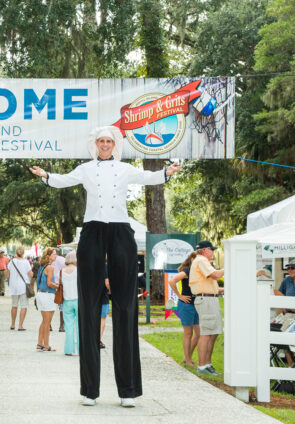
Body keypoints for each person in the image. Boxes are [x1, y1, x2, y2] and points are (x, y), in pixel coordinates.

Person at [30, 125, 181, 407]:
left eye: (109, 141)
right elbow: (64, 180)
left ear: (115, 144)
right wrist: (46, 176)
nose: (104, 144)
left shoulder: (125, 169)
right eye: (100, 141)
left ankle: (128, 391)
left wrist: (166, 173)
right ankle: (90, 390)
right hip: (92, 232)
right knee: (88, 302)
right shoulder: (86, 169)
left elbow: (148, 177)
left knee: (125, 305)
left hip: (121, 231)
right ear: (95, 144)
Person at [188, 240, 224, 376]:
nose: (213, 252)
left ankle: (207, 364)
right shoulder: (201, 260)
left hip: (209, 298)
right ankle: (202, 366)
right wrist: (230, 267)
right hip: (206, 300)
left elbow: (210, 285)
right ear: (204, 250)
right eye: (211, 249)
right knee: (206, 333)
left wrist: (223, 289)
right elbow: (215, 275)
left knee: (213, 332)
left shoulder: (201, 261)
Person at [169, 252, 200, 367]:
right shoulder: (187, 271)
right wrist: (179, 295)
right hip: (186, 305)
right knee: (188, 334)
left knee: (199, 334)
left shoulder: (198, 271)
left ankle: (186, 357)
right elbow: (172, 281)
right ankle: (187, 360)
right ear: (192, 259)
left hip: (196, 305)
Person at [36, 248, 59, 352]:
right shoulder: (50, 267)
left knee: (44, 321)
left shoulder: (42, 266)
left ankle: (39, 343)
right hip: (47, 295)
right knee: (47, 321)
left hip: (41, 294)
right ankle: (46, 345)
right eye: (54, 254)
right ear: (49, 256)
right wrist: (58, 286)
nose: (56, 256)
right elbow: (49, 283)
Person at [8, 246, 33, 331]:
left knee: (14, 305)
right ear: (23, 253)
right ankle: (20, 325)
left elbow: (7, 275)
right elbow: (31, 274)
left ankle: (12, 324)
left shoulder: (11, 262)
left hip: (13, 286)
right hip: (23, 286)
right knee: (24, 306)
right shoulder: (26, 262)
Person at [61, 251, 79, 356]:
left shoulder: (61, 271)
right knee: (79, 326)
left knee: (68, 326)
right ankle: (81, 349)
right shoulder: (78, 271)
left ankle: (68, 350)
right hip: (77, 299)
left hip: (66, 300)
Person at [52, 253, 66, 332]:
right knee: (60, 306)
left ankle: (59, 325)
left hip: (56, 284)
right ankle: (61, 326)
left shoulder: (60, 260)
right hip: (57, 284)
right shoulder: (61, 259)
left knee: (59, 306)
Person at [100, 263, 110, 349]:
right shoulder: (104, 265)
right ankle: (98, 340)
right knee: (102, 319)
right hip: (102, 295)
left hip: (92, 296)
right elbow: (107, 282)